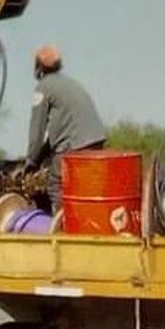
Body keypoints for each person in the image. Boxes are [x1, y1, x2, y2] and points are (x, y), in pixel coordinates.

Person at [24, 45, 106, 212]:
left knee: (56, 185)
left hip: (74, 146)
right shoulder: (70, 83)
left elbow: (37, 131)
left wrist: (31, 161)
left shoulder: (43, 88)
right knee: (85, 189)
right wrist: (42, 154)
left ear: (38, 67)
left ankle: (63, 229)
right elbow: (62, 127)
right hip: (95, 142)